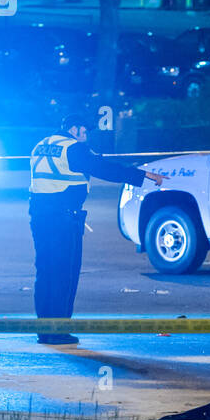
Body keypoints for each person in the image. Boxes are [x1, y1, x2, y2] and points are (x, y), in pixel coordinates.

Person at [28, 112, 164, 343]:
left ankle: (44, 330)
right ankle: (58, 332)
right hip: (64, 219)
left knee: (45, 272)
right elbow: (105, 169)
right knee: (64, 274)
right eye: (84, 132)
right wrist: (142, 175)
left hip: (39, 217)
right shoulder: (73, 148)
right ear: (74, 130)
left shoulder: (41, 145)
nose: (86, 136)